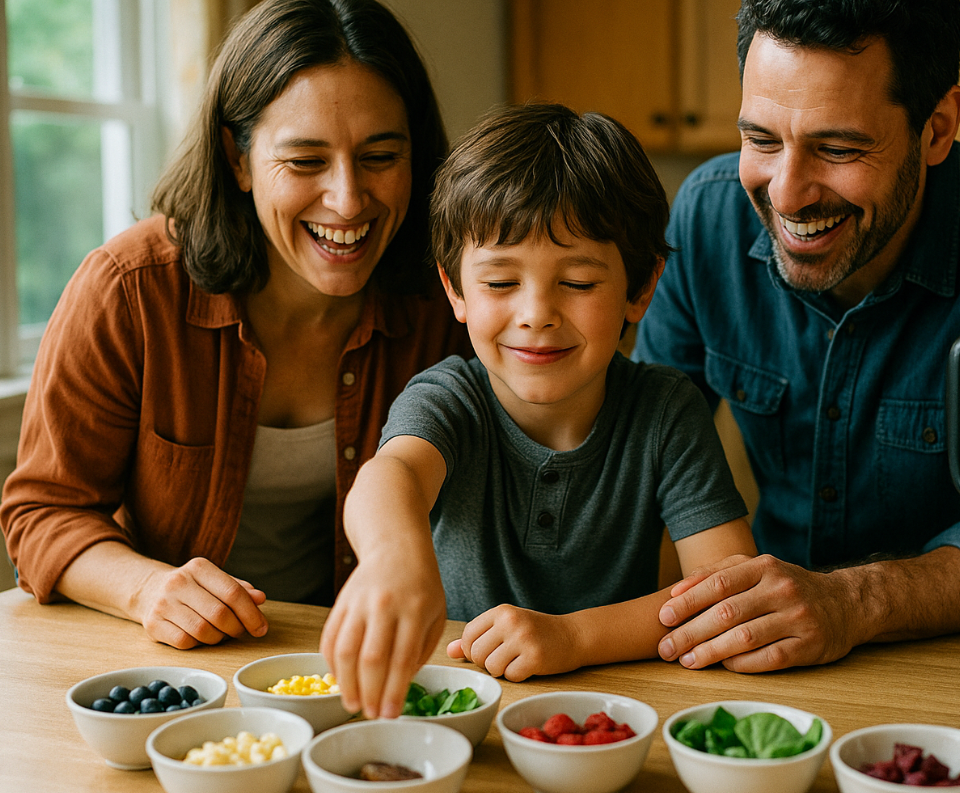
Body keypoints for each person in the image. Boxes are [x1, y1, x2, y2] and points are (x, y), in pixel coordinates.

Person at [632, 0, 960, 672]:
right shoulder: (706, 216)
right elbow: (635, 450)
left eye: (837, 148)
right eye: (762, 140)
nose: (788, 193)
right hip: (768, 663)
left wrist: (848, 602)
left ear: (938, 127)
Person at [0, 0, 469, 649]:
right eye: (305, 161)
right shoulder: (130, 290)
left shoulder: (446, 302)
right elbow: (41, 513)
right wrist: (147, 590)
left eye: (380, 156)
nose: (348, 199)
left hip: (357, 664)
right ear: (238, 158)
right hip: (174, 664)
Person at [321, 102, 758, 719]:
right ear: (455, 290)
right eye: (501, 283)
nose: (536, 313)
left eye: (578, 283)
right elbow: (390, 477)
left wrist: (573, 638)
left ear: (641, 288)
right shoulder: (450, 398)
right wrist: (394, 559)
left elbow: (727, 592)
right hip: (453, 708)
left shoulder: (666, 411)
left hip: (612, 713)